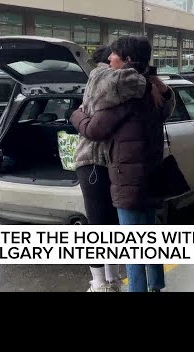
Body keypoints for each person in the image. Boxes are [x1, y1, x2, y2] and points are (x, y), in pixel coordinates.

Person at [71, 36, 176, 292]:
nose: (109, 59)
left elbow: (94, 129)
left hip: (128, 179)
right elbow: (168, 105)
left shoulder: (125, 98)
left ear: (127, 60)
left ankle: (133, 287)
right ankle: (156, 286)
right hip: (151, 175)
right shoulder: (155, 93)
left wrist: (75, 113)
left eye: (114, 55)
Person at [73, 45, 148, 292]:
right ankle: (99, 282)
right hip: (92, 161)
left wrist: (76, 116)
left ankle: (111, 280)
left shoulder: (116, 87)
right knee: (98, 224)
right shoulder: (102, 80)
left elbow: (94, 126)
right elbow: (96, 128)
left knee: (109, 224)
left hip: (110, 162)